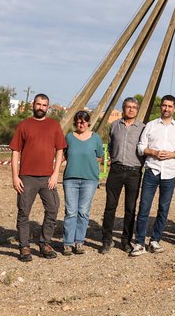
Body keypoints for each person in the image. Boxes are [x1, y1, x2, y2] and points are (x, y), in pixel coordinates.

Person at [9, 93, 68, 262]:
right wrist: (15, 177)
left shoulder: (54, 125)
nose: (41, 107)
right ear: (32, 105)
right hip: (26, 178)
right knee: (23, 212)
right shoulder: (24, 125)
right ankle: (24, 247)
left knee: (52, 208)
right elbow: (15, 152)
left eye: (44, 105)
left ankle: (45, 243)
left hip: (47, 178)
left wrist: (55, 173)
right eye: (38, 104)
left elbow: (60, 150)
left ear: (48, 107)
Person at [131, 95, 175, 256]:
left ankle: (155, 240)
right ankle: (140, 242)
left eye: (169, 106)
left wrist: (172, 154)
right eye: (164, 105)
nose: (166, 108)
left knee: (163, 208)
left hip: (169, 172)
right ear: (160, 107)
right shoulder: (151, 126)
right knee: (144, 207)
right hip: (152, 170)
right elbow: (141, 147)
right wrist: (153, 152)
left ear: (174, 108)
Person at [100, 97, 144, 253]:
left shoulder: (142, 128)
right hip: (116, 170)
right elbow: (111, 147)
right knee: (110, 206)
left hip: (134, 172)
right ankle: (106, 240)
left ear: (137, 110)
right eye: (128, 107)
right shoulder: (114, 126)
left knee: (130, 208)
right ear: (123, 108)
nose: (131, 109)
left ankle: (126, 240)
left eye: (134, 107)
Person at [62, 109, 105, 255]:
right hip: (71, 179)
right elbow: (66, 155)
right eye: (79, 121)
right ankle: (68, 243)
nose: (81, 124)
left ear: (88, 123)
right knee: (71, 211)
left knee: (83, 212)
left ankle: (79, 242)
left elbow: (99, 156)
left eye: (84, 121)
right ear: (75, 122)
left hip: (89, 179)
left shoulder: (96, 138)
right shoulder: (69, 137)